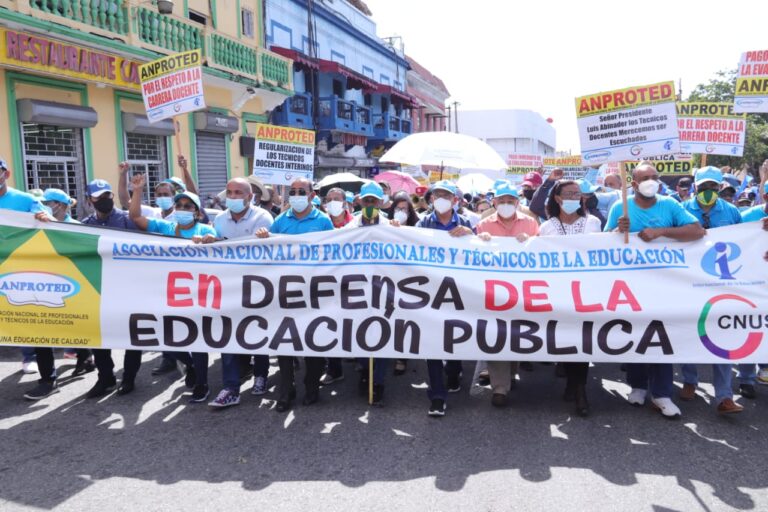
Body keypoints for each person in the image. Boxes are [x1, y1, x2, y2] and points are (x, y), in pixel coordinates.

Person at [605, 162, 706, 419]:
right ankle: (638, 386)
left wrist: (663, 231)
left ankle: (661, 393)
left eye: (654, 177)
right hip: (631, 285)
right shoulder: (621, 207)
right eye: (645, 178)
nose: (651, 181)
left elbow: (697, 230)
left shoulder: (669, 205)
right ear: (634, 183)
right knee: (637, 333)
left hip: (665, 285)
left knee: (661, 336)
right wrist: (619, 231)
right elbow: (602, 246)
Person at [128, 173, 216, 401]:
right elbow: (136, 216)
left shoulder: (205, 230)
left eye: (188, 206)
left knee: (197, 341)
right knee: (166, 339)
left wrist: (210, 242)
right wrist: (137, 191)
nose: (183, 208)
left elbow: (218, 253)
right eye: (180, 205)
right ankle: (191, 366)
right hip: (168, 293)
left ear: (197, 212)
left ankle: (202, 384)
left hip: (197, 294)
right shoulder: (165, 227)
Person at [256, 178, 334, 412]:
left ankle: (312, 387)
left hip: (313, 291)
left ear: (312, 195)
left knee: (312, 341)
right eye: (293, 191)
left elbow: (331, 254)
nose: (297, 194)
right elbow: (269, 252)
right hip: (285, 290)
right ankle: (286, 390)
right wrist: (263, 237)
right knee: (284, 341)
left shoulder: (323, 221)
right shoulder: (281, 221)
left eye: (302, 191)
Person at [678, 167, 743, 414]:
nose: (708, 191)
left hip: (721, 282)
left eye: (713, 187)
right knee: (688, 332)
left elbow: (747, 242)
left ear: (720, 188)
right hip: (687, 281)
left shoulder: (733, 212)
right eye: (704, 187)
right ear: (695, 187)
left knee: (723, 335)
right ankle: (689, 381)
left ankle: (724, 396)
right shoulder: (681, 209)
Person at [205, 178, 274, 408]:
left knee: (257, 330)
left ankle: (261, 375)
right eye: (230, 192)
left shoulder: (263, 218)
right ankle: (230, 387)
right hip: (227, 286)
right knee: (228, 334)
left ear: (250, 197)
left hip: (256, 285)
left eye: (238, 193)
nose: (233, 197)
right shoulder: (220, 219)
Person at [538, 180, 602, 416]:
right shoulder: (547, 228)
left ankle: (580, 390)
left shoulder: (593, 223)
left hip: (587, 293)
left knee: (582, 341)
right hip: (557, 293)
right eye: (569, 193)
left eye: (578, 193)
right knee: (564, 338)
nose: (576, 197)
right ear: (558, 198)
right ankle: (570, 382)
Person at [475, 181, 539, 408]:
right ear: (494, 202)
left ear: (517, 202)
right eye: (501, 200)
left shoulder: (531, 223)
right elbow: (473, 256)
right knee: (497, 332)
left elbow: (544, 253)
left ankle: (511, 373)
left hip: (523, 288)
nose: (505, 204)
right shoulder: (483, 225)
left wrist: (531, 242)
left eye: (509, 201)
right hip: (494, 288)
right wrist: (479, 242)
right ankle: (499, 387)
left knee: (517, 333)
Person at [415, 180, 476, 417]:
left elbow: (483, 250)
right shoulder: (422, 224)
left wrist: (472, 236)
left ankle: (454, 369)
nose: (441, 199)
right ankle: (437, 395)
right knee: (431, 341)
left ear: (455, 200)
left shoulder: (467, 224)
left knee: (455, 336)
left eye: (446, 195)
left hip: (459, 291)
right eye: (437, 195)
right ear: (431, 199)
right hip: (430, 290)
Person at [0, 158, 54, 387]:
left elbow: (50, 223)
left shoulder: (25, 199)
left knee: (32, 321)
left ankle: (46, 376)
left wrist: (44, 218)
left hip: (23, 271)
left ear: (6, 173)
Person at [342, 181, 394, 405]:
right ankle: (365, 370)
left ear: (381, 202)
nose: (370, 204)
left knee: (381, 335)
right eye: (367, 200)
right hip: (357, 289)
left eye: (374, 200)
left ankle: (379, 381)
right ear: (359, 202)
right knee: (361, 333)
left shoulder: (392, 228)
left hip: (384, 290)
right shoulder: (347, 229)